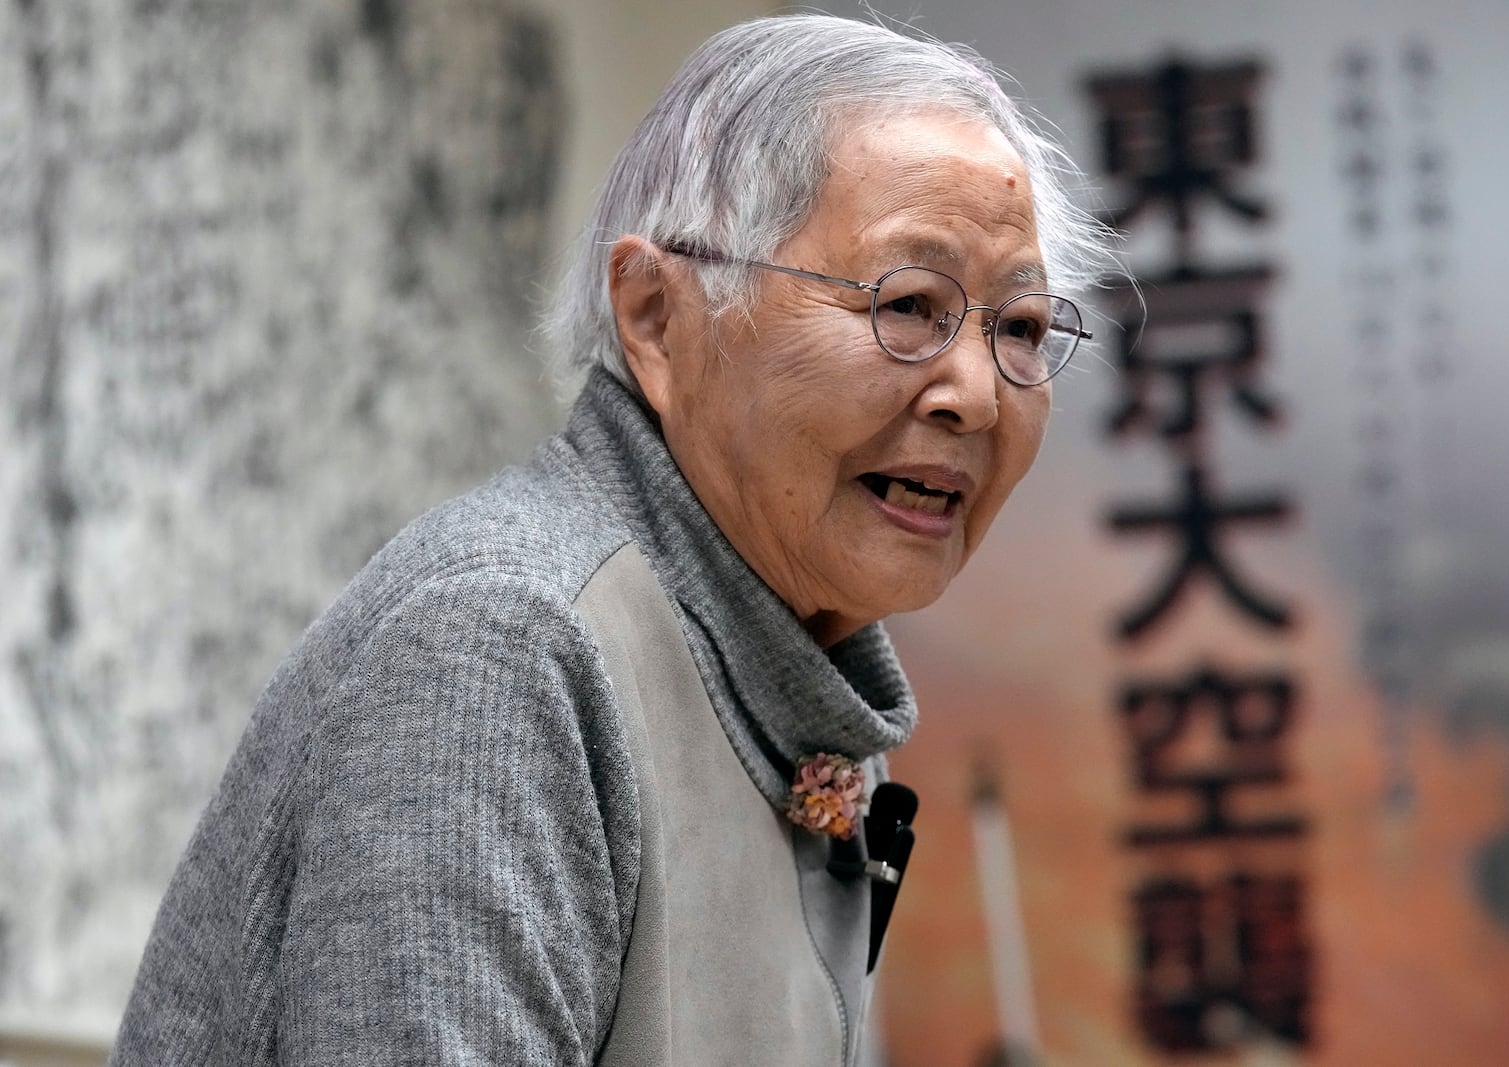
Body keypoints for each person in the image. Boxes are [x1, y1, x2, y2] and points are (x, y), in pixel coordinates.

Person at [109, 13, 1106, 1066]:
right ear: (656, 315)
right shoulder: (500, 645)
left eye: (1021, 328)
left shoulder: (793, 686)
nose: (977, 396)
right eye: (908, 303)